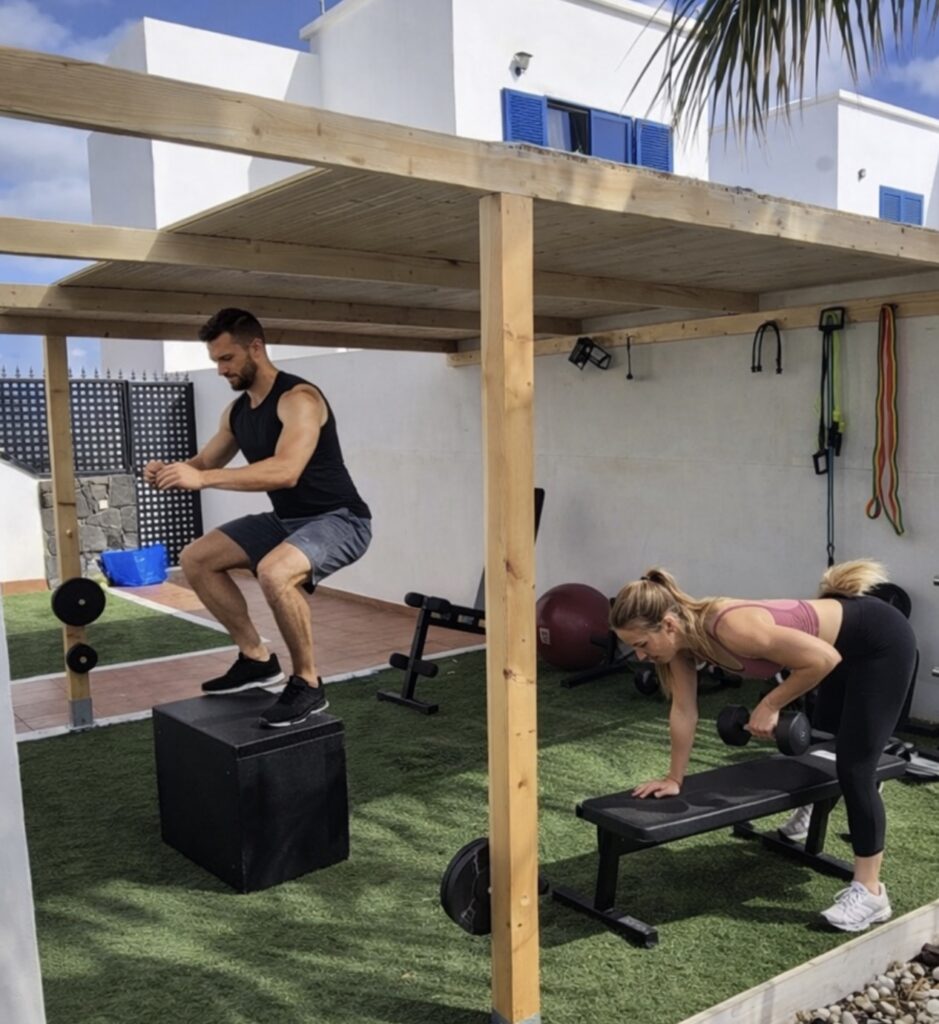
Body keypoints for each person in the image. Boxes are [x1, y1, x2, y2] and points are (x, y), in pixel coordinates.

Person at [609, 560, 916, 934]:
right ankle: (816, 808)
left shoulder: (729, 627)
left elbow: (824, 659)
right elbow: (684, 710)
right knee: (823, 741)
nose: (640, 656)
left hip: (880, 641)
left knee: (856, 766)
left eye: (641, 645)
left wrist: (770, 704)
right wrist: (675, 778)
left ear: (669, 625)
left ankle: (870, 894)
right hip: (840, 645)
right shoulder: (682, 647)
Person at [144, 308, 372, 728]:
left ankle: (307, 683)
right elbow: (205, 461)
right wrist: (172, 471)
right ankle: (256, 658)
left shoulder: (299, 399)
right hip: (286, 520)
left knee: (273, 572)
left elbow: (286, 471)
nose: (220, 369)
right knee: (197, 558)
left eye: (227, 359)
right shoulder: (236, 412)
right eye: (215, 361)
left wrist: (204, 478)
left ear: (256, 348)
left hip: (341, 520)